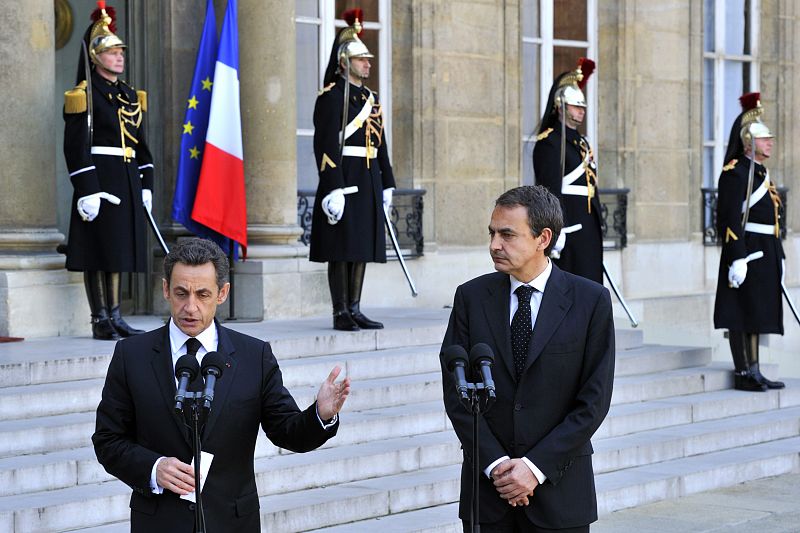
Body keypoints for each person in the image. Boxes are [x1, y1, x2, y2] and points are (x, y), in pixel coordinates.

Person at [92, 238, 350, 532]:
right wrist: (154, 468)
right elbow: (108, 441)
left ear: (222, 293)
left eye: (203, 294)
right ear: (165, 289)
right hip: (160, 522)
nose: (191, 307)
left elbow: (287, 431)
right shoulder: (131, 356)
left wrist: (321, 414)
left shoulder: (254, 356)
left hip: (232, 521)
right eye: (181, 293)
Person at [440, 185, 615, 532]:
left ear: (542, 238)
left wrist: (533, 469)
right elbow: (457, 393)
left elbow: (593, 402)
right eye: (492, 233)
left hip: (561, 495)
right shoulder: (471, 298)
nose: (494, 244)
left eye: (507, 234)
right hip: (488, 497)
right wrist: (498, 466)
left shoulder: (590, 301)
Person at [63, 2, 152, 340]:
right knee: (96, 251)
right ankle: (99, 318)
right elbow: (75, 146)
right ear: (96, 56)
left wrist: (147, 183)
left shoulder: (129, 94)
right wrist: (87, 188)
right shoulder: (84, 94)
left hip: (126, 177)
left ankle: (115, 314)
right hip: (98, 178)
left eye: (121, 52)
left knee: (116, 249)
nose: (119, 56)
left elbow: (141, 144)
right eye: (112, 51)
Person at [309, 9, 396, 331]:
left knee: (360, 247)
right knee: (341, 248)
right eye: (362, 59)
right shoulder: (331, 97)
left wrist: (388, 184)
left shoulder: (371, 98)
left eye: (368, 59)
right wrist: (333, 186)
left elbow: (380, 142)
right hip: (345, 176)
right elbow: (325, 143)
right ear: (345, 61)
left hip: (369, 175)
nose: (368, 64)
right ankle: (340, 311)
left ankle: (356, 307)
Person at [713, 92, 786, 392]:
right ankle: (743, 371)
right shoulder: (735, 173)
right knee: (741, 312)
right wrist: (737, 256)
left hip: (764, 250)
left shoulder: (760, 172)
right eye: (764, 138)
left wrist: (778, 252)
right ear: (748, 142)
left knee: (756, 311)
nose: (770, 142)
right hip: (746, 251)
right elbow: (728, 219)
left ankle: (755, 369)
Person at [533, 58, 603, 284]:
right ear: (560, 105)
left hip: (588, 229)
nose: (581, 111)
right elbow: (550, 189)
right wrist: (558, 228)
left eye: (583, 107)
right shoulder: (550, 142)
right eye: (575, 106)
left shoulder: (581, 142)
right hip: (569, 229)